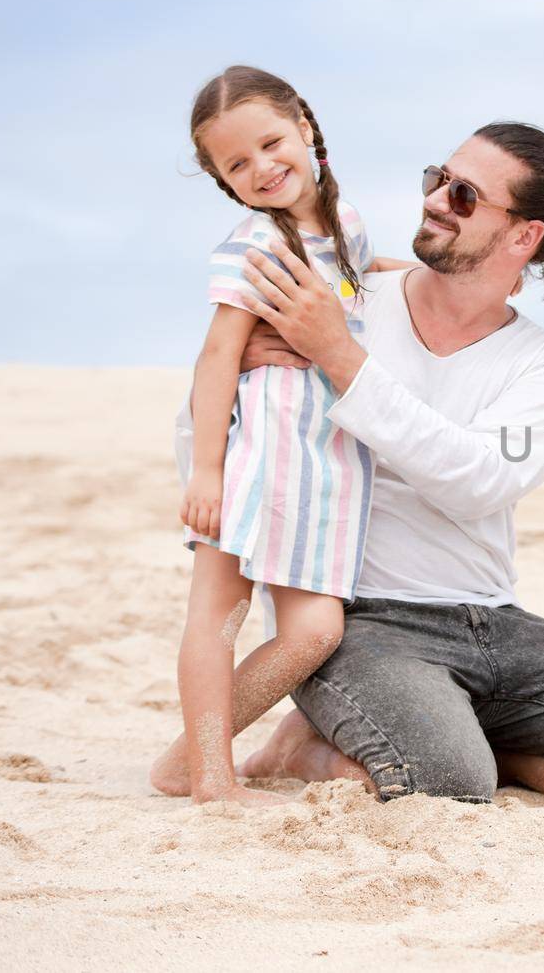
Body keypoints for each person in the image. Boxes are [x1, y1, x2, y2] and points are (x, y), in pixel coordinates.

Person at [194, 121, 544, 804]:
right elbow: (218, 410)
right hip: (363, 620)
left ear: (522, 236)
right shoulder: (343, 306)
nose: (436, 199)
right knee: (445, 785)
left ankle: (483, 741)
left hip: (495, 618)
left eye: (465, 195)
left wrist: (341, 361)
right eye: (436, 179)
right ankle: (306, 745)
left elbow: (479, 482)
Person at [150, 66, 410, 805]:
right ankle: (209, 773)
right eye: (238, 164)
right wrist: (206, 470)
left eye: (270, 142)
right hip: (257, 457)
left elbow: (359, 283)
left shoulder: (347, 224)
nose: (263, 167)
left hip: (325, 466)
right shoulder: (254, 243)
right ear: (225, 182)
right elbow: (218, 355)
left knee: (314, 630)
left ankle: (179, 759)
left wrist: (409, 275)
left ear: (305, 124)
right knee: (217, 615)